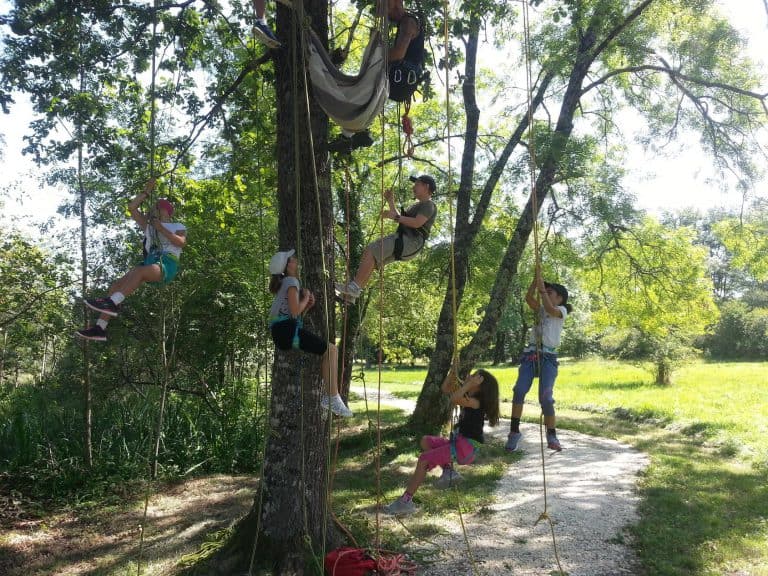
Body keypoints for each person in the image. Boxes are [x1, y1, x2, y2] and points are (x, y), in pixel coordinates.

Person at [76, 179, 186, 342]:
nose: (157, 209)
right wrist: (146, 191)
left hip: (167, 264)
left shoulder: (178, 226)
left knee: (139, 271)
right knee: (116, 286)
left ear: (168, 212)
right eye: (156, 208)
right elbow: (131, 208)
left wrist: (161, 228)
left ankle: (113, 303)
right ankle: (100, 328)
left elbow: (181, 242)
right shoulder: (149, 227)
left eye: (161, 208)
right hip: (151, 264)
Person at [382, 366, 500, 515]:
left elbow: (454, 398)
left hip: (465, 448)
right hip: (458, 443)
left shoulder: (476, 402)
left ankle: (405, 501)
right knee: (426, 441)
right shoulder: (468, 396)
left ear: (480, 386)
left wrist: (467, 385)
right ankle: (448, 471)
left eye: (473, 376)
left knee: (424, 459)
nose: (469, 376)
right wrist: (451, 374)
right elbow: (446, 389)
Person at [328, 0, 425, 154]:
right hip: (402, 81)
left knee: (365, 84)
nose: (385, 16)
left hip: (402, 79)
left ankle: (353, 133)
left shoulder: (408, 22)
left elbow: (398, 53)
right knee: (371, 94)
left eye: (386, 10)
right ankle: (356, 133)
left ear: (395, 2)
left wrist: (375, 53)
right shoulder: (406, 23)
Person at [268, 249, 354, 418]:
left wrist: (306, 306)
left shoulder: (285, 283)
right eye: (293, 259)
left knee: (329, 350)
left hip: (283, 331)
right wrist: (306, 298)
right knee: (331, 350)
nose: (296, 260)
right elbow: (294, 312)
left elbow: (292, 314)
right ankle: (331, 397)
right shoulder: (291, 281)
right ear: (288, 266)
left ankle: (332, 397)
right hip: (285, 330)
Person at [335, 174, 437, 303]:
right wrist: (390, 201)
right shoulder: (417, 206)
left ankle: (354, 288)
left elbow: (417, 223)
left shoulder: (428, 205)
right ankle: (351, 295)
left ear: (426, 186)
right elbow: (401, 220)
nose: (413, 187)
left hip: (410, 242)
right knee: (373, 258)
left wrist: (394, 216)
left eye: (417, 184)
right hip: (408, 244)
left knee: (372, 250)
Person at [505, 267, 572, 452]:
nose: (545, 294)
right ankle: (514, 432)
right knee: (519, 390)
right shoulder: (541, 309)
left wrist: (542, 288)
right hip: (531, 355)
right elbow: (528, 299)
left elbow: (550, 309)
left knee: (546, 399)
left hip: (548, 357)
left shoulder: (561, 310)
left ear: (559, 298)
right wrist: (536, 281)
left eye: (550, 292)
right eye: (545, 292)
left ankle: (552, 435)